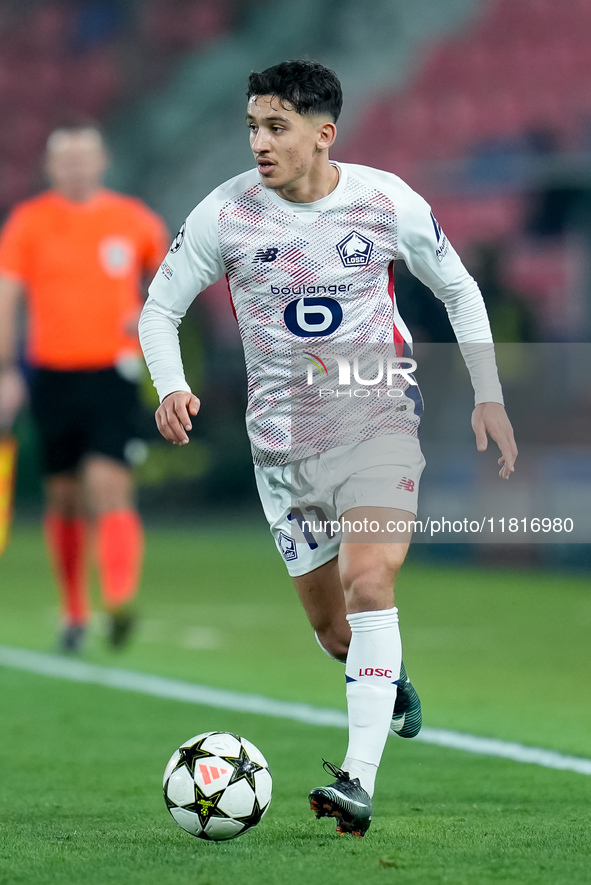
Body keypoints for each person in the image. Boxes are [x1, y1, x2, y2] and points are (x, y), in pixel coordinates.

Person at [139, 60, 517, 837]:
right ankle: (389, 674)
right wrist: (170, 382)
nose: (259, 143)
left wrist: (488, 392)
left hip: (376, 416)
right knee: (336, 630)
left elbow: (459, 287)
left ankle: (356, 780)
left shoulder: (383, 202)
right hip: (281, 447)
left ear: (323, 133)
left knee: (370, 579)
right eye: (252, 126)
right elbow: (158, 307)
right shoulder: (227, 215)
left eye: (275, 127)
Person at [0, 122, 169, 653]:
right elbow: (8, 296)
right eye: (65, 160)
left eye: (83, 158)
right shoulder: (29, 223)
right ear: (52, 168)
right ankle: (74, 610)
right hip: (51, 373)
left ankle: (118, 599)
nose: (75, 168)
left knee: (107, 481)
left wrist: (146, 315)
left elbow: (171, 283)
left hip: (112, 373)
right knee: (64, 496)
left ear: (102, 162)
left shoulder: (134, 220)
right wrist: (6, 371)